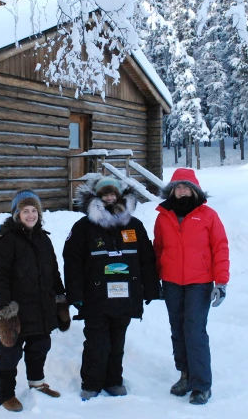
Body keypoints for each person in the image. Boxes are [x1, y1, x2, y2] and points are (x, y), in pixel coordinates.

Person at [63, 175, 161, 400]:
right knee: (97, 343)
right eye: (105, 193)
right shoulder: (83, 227)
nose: (109, 196)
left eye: (113, 193)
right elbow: (72, 262)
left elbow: (146, 259)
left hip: (126, 295)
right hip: (95, 296)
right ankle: (91, 383)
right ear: (96, 197)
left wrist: (152, 289)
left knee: (117, 342)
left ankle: (113, 381)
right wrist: (75, 294)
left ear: (120, 196)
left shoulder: (134, 226)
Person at [0, 189, 71, 412]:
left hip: (42, 306)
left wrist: (60, 299)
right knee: (9, 353)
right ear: (17, 213)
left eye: (34, 210)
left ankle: (37, 383)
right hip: (17, 309)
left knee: (40, 346)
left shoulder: (44, 239)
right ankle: (6, 394)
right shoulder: (5, 240)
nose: (31, 215)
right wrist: (5, 311)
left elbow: (54, 272)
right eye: (26, 211)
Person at [153, 168, 229, 406]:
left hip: (200, 282)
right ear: (172, 190)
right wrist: (153, 278)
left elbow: (220, 247)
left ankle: (201, 385)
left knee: (194, 331)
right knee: (177, 329)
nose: (182, 191)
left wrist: (222, 282)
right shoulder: (163, 216)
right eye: (178, 187)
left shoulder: (208, 215)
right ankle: (185, 375)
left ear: (194, 190)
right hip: (172, 281)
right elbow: (158, 248)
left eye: (186, 187)